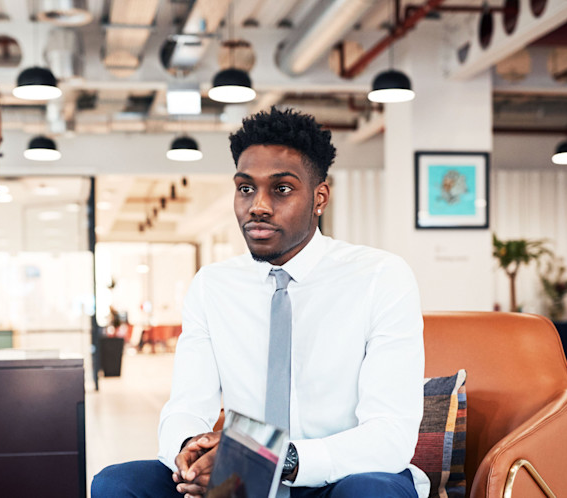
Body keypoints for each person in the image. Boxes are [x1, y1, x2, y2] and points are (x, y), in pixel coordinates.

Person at [92, 107, 428, 498]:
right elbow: (186, 405)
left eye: (281, 189)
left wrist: (272, 460)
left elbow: (390, 435)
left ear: (320, 198)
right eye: (246, 188)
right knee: (116, 484)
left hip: (339, 476)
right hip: (237, 481)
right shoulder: (212, 286)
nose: (258, 206)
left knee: (372, 493)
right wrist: (191, 452)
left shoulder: (380, 277)